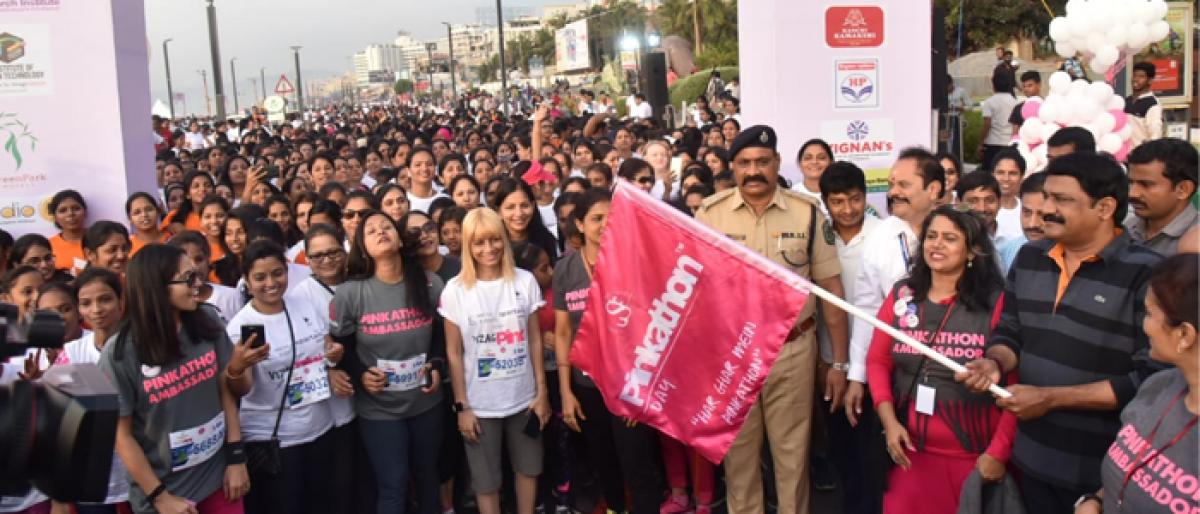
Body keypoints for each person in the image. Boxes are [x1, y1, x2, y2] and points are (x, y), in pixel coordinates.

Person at [956, 152, 1164, 513]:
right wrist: (994, 363)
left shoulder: (1147, 274)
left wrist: (1051, 398)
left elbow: (1150, 379)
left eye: (1061, 200)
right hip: (1032, 459)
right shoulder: (1030, 258)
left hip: (1104, 472)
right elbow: (1011, 332)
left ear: (1105, 208)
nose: (1045, 210)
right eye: (1045, 197)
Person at [695, 125, 850, 514]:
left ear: (777, 163)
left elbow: (831, 291)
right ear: (732, 167)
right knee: (739, 456)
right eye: (744, 163)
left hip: (792, 351)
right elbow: (695, 294)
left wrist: (839, 361)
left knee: (792, 456)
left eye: (762, 162)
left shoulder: (808, 213)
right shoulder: (709, 215)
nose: (754, 171)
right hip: (734, 355)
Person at [867, 205, 1017, 513]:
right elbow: (878, 361)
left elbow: (1015, 389)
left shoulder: (997, 302)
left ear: (973, 250)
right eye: (931, 236)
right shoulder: (902, 296)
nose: (937, 244)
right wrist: (889, 423)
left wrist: (998, 454)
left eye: (950, 238)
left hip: (974, 460)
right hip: (908, 452)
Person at [98, 244, 251, 514]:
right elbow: (121, 435)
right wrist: (159, 497)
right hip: (165, 494)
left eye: (197, 274)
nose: (198, 284)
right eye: (188, 278)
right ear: (156, 287)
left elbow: (226, 390)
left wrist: (236, 457)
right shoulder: (121, 353)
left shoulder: (207, 320)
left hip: (220, 481)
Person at [328, 210, 446, 514]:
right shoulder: (350, 293)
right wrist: (360, 374)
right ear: (362, 247)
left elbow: (443, 335)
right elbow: (343, 346)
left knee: (428, 477)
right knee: (393, 484)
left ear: (399, 235)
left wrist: (436, 364)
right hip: (380, 409)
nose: (381, 232)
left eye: (387, 227)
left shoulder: (430, 283)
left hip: (425, 403)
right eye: (371, 231)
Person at [553, 188, 662, 514]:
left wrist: (642, 388)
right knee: (604, 462)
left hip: (630, 386)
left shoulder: (635, 263)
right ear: (580, 225)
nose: (604, 224)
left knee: (638, 464)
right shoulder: (565, 269)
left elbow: (653, 326)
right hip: (586, 386)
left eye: (610, 217)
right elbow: (561, 333)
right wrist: (566, 391)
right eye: (596, 218)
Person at [441, 208, 550, 514]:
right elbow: (454, 352)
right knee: (486, 481)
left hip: (524, 398)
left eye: (493, 240)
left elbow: (535, 339)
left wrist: (542, 393)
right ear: (467, 246)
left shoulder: (525, 281)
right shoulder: (456, 290)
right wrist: (462, 406)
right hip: (480, 403)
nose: (488, 249)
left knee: (529, 469)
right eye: (478, 243)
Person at [1075, 254, 1198, 514]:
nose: (1144, 325)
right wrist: (1096, 501)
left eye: (1150, 314)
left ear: (1184, 334)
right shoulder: (1159, 387)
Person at [224, 240, 336, 514]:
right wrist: (238, 367)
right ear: (247, 281)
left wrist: (334, 356)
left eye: (277, 273)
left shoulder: (304, 304)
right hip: (276, 440)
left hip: (320, 428)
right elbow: (242, 389)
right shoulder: (239, 327)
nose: (271, 283)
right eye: (260, 277)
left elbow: (326, 349)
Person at [848, 148, 946, 426]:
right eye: (891, 184)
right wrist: (857, 375)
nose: (893, 192)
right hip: (896, 371)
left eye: (904, 184)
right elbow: (867, 310)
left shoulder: (963, 231)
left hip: (952, 368)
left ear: (933, 189)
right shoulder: (880, 237)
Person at [285, 224, 372, 514]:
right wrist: (327, 371)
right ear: (306, 259)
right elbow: (295, 354)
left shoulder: (363, 279)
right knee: (340, 483)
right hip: (334, 408)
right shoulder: (300, 295)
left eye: (333, 252)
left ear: (344, 250)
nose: (326, 260)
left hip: (375, 395)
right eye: (317, 256)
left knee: (370, 479)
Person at [814, 161, 882, 514]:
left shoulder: (885, 235)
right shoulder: (819, 237)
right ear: (825, 202)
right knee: (841, 441)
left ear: (865, 196)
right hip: (832, 361)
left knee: (873, 446)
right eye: (837, 202)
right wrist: (828, 360)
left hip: (877, 360)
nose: (847, 210)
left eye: (854, 200)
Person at [52, 267, 130, 513]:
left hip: (142, 471)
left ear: (121, 301)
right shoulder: (73, 353)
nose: (96, 310)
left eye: (105, 299)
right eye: (86, 303)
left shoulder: (143, 347)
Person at [1123, 138, 1198, 256]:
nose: (1133, 193)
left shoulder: (1195, 240)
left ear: (1183, 189)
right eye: (1131, 183)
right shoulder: (1126, 229)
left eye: (1146, 184)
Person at [168, 230, 244, 324]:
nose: (194, 267)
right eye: (186, 262)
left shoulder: (232, 296)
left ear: (208, 259)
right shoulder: (172, 305)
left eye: (199, 259)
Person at [998, 173, 1048, 273]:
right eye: (1027, 213)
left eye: (1042, 215)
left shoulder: (1073, 257)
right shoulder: (1010, 250)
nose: (1032, 224)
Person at [402, 210, 461, 284]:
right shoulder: (403, 277)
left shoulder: (461, 267)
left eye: (429, 227)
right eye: (415, 232)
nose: (424, 235)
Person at [955, 171, 1011, 249]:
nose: (982, 208)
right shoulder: (949, 242)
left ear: (1000, 202)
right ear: (958, 204)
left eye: (990, 200)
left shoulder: (1012, 241)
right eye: (972, 201)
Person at [977, 74, 1018, 169]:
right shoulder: (1015, 102)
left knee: (992, 173)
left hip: (992, 143)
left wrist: (980, 143)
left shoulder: (989, 102)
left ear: (993, 85)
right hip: (1010, 142)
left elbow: (987, 124)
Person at [48, 189, 89, 276]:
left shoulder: (100, 239)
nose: (70, 213)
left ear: (85, 212)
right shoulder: (48, 246)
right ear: (55, 217)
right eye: (63, 210)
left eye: (76, 208)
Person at [990, 149, 1026, 244]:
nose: (1006, 178)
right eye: (1000, 172)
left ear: (1022, 177)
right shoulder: (982, 208)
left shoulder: (1027, 210)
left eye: (1012, 173)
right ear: (992, 175)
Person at [1124, 62, 1163, 148]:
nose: (1136, 79)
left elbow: (1155, 134)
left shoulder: (1152, 104)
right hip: (1123, 155)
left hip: (1140, 156)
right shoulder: (1126, 101)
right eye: (1134, 75)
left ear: (1150, 80)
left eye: (1141, 77)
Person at [792, 139, 834, 211]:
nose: (814, 162)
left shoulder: (841, 192)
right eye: (808, 158)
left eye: (821, 158)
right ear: (799, 163)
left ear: (831, 162)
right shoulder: (792, 195)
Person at [408, 147, 450, 214]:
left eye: (429, 164)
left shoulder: (445, 199)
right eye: (418, 165)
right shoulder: (402, 200)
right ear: (408, 171)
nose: (424, 169)